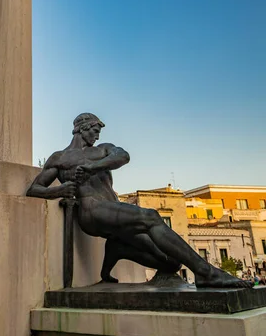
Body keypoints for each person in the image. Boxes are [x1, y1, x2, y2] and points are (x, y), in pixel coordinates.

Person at [27, 113, 253, 288]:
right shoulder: (60, 158)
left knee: (171, 263)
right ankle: (207, 274)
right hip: (91, 210)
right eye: (95, 130)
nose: (97, 136)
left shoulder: (103, 150)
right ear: (82, 128)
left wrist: (93, 167)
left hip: (113, 209)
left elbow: (123, 156)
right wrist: (60, 190)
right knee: (151, 217)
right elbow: (34, 188)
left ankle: (118, 249)